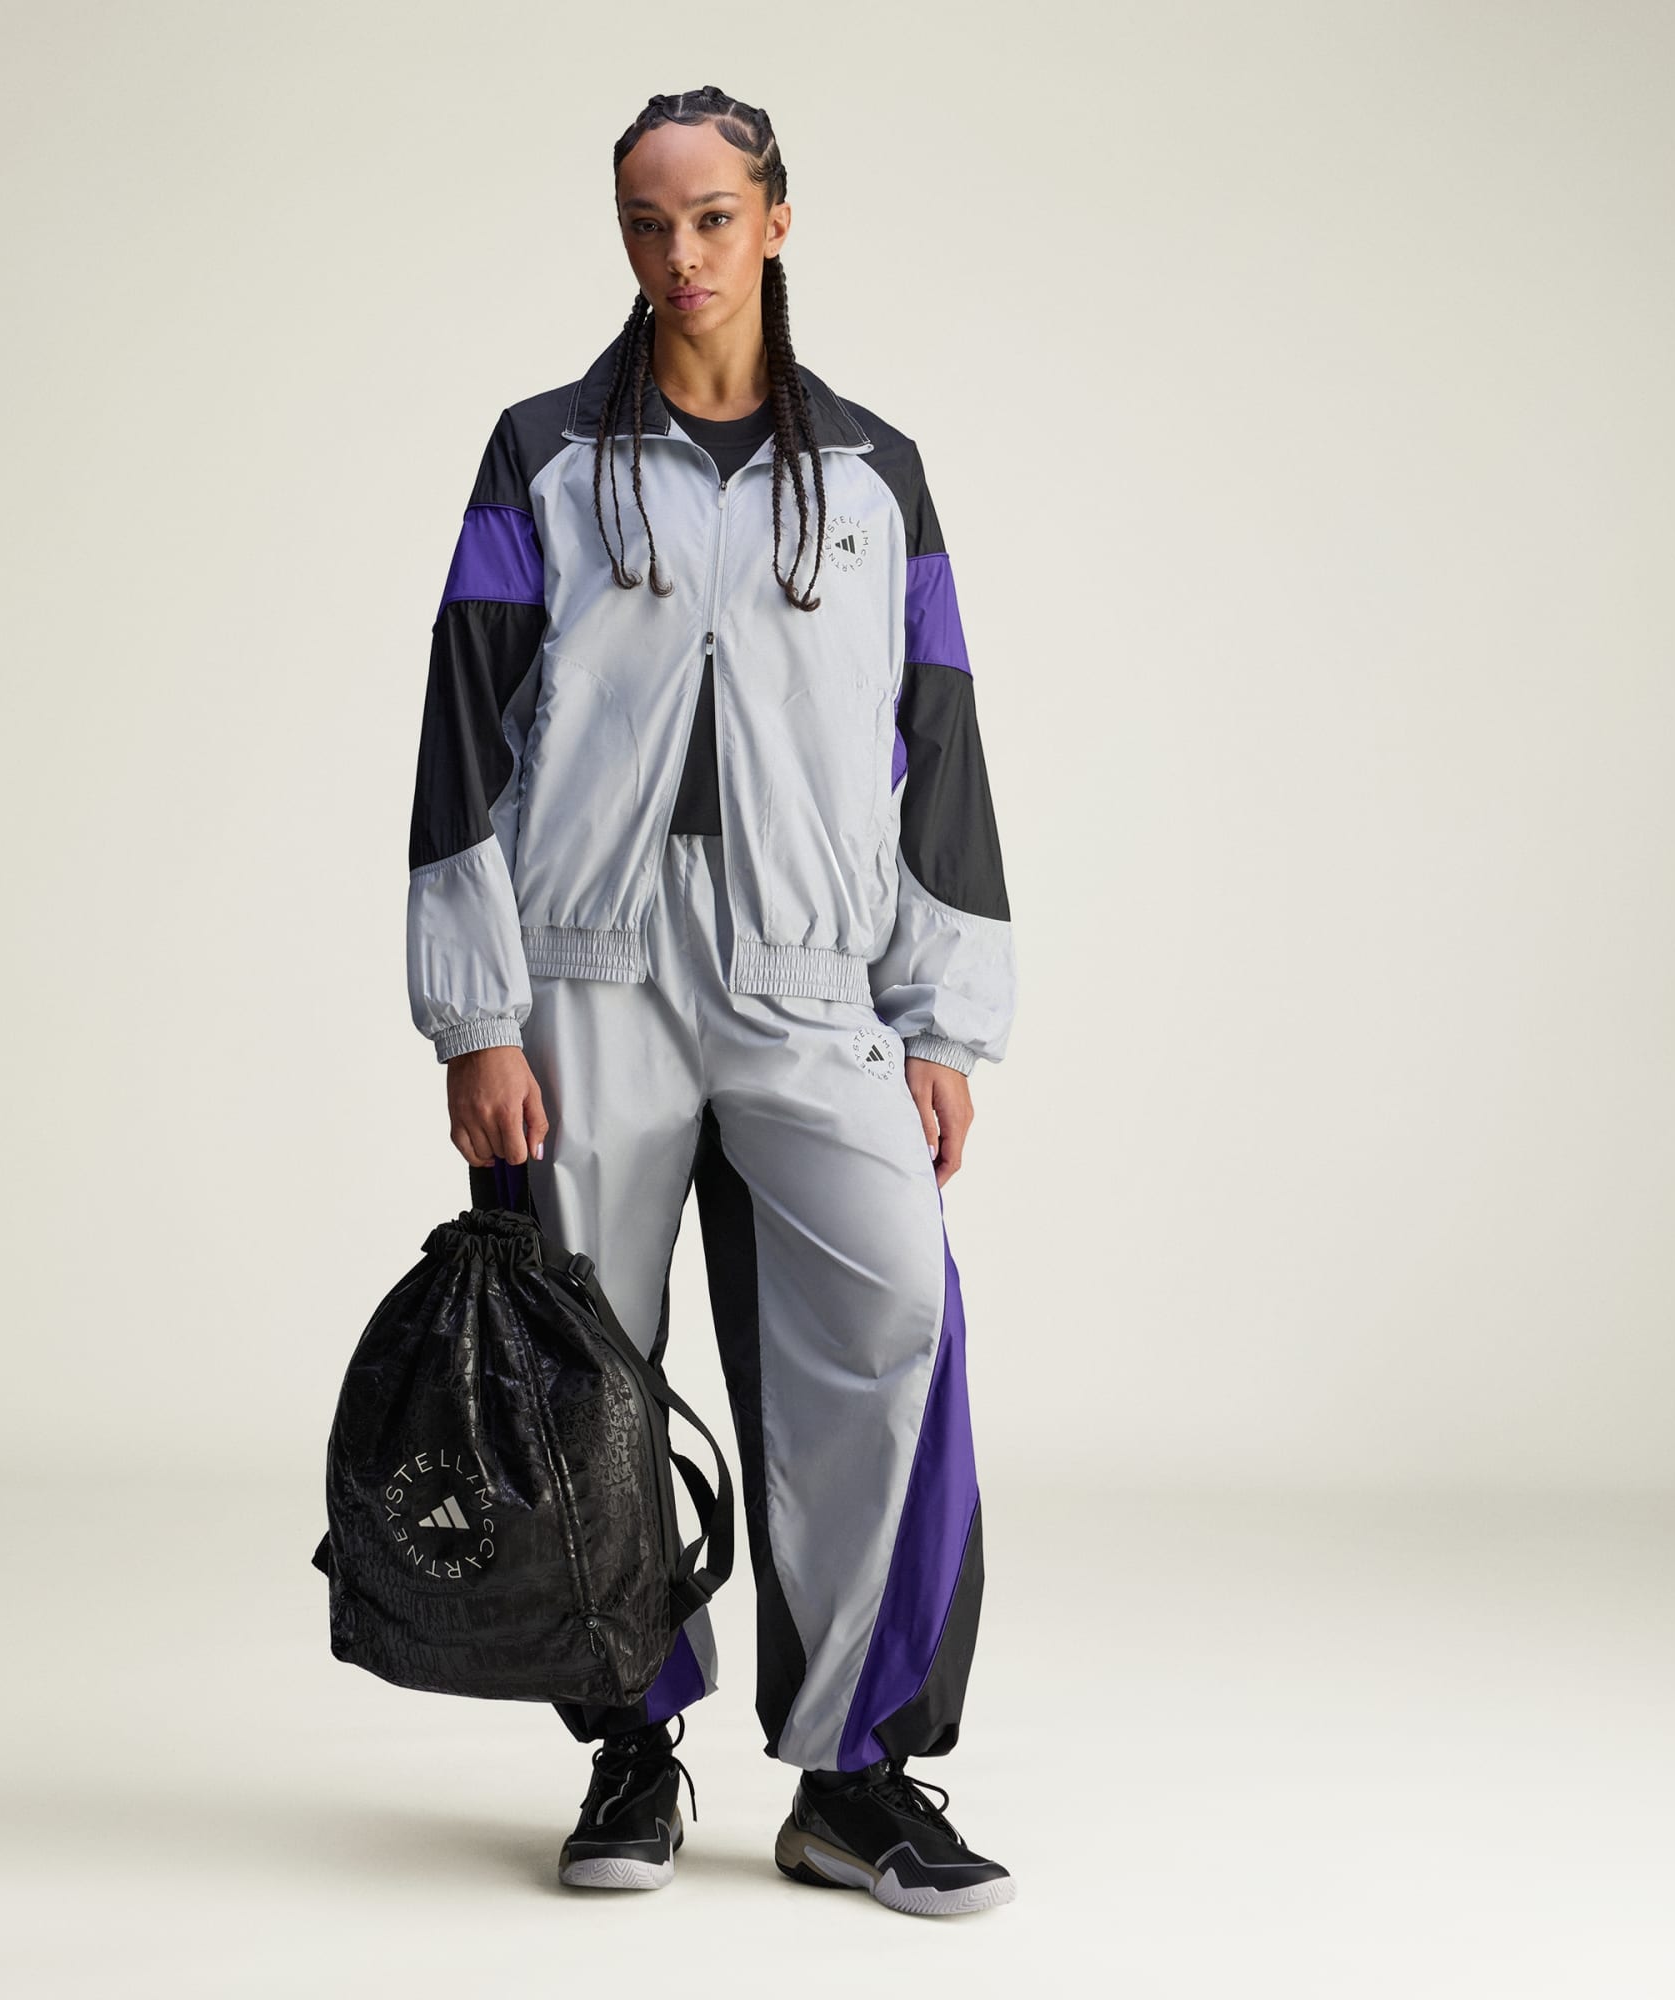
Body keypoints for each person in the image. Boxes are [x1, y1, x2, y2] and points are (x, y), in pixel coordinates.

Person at [403, 86, 1017, 1919]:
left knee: (893, 1318)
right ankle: (625, 1742)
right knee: (579, 1363)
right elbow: (461, 730)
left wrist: (940, 1021)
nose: (681, 255)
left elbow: (940, 740)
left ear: (776, 220)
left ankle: (854, 1777)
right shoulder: (544, 456)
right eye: (648, 223)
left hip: (814, 977)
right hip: (586, 973)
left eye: (715, 217)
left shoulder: (877, 475)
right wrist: (476, 1015)